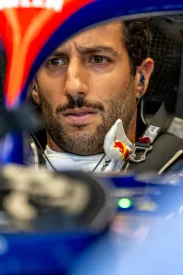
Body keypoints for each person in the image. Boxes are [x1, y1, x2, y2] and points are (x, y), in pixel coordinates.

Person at [30, 18, 155, 173]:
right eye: (55, 62)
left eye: (98, 59)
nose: (73, 87)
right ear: (34, 84)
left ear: (141, 79)